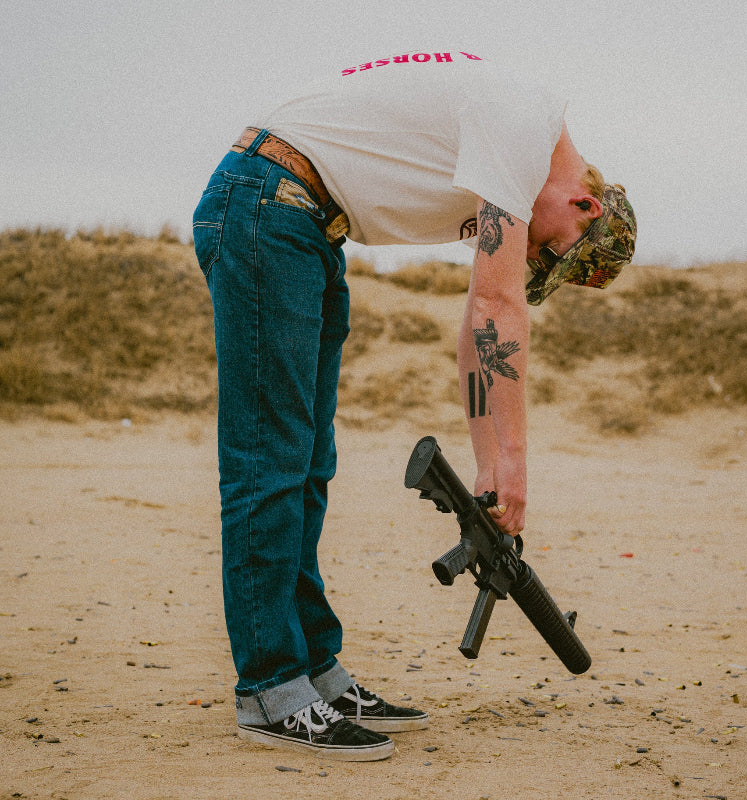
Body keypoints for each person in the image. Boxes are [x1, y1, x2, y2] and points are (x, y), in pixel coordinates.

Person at [192, 49, 636, 762]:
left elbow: (475, 333)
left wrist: (490, 466)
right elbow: (498, 306)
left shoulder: (514, 140)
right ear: (583, 203)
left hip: (300, 224)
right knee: (271, 460)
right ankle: (269, 687)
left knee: (307, 464)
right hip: (266, 204)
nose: (531, 260)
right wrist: (521, 465)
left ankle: (314, 672)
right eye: (549, 252)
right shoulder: (522, 121)